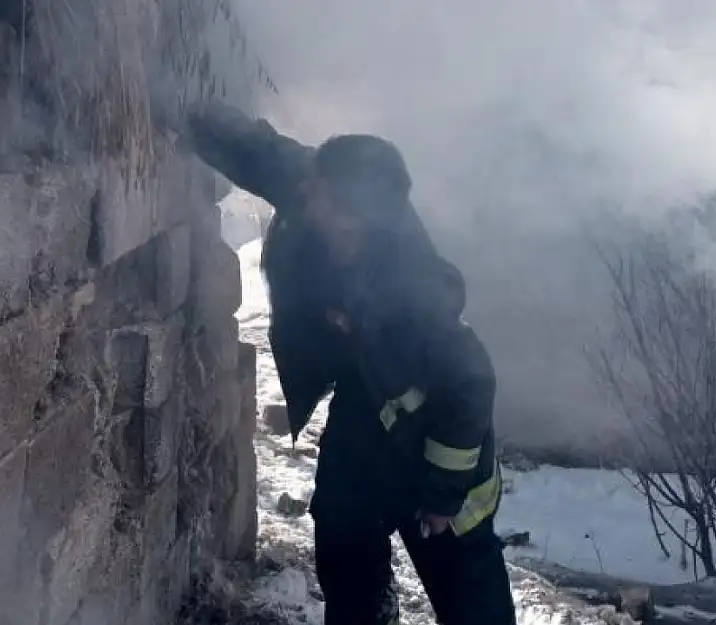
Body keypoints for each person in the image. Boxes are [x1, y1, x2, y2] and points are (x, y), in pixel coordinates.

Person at [176, 101, 517, 625]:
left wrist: (443, 496)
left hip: (436, 441)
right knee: (341, 530)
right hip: (367, 401)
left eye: (319, 193)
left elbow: (470, 383)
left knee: (466, 588)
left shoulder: (412, 291)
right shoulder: (325, 187)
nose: (303, 191)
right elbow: (261, 152)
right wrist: (179, 106)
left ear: (354, 219)